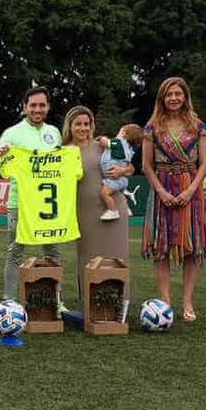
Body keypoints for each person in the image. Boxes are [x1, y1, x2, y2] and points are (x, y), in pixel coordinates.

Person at [140, 76, 206, 322]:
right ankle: (165, 301)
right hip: (162, 187)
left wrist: (191, 190)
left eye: (177, 94)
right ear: (162, 98)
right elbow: (146, 165)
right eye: (169, 94)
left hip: (190, 188)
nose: (173, 98)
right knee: (161, 246)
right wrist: (160, 191)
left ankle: (188, 302)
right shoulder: (151, 128)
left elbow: (205, 163)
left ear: (185, 96)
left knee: (191, 246)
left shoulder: (198, 126)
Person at [0, 85, 62, 301]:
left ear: (47, 107)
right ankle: (9, 301)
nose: (37, 109)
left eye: (42, 105)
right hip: (18, 203)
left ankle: (56, 301)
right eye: (33, 105)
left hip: (47, 204)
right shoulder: (12, 134)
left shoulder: (54, 133)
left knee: (53, 251)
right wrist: (0, 155)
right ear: (24, 107)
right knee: (15, 251)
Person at [62, 106, 133, 303]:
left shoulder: (103, 145)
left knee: (116, 257)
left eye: (86, 124)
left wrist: (122, 171)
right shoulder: (62, 152)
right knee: (88, 258)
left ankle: (119, 306)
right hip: (84, 212)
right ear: (70, 126)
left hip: (113, 209)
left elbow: (132, 167)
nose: (83, 128)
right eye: (78, 124)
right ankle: (90, 306)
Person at [99, 124, 143, 221]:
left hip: (114, 178)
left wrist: (101, 138)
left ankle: (113, 211)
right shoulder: (130, 149)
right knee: (121, 195)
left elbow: (107, 143)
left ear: (123, 133)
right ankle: (126, 208)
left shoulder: (119, 143)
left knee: (104, 193)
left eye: (119, 131)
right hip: (121, 179)